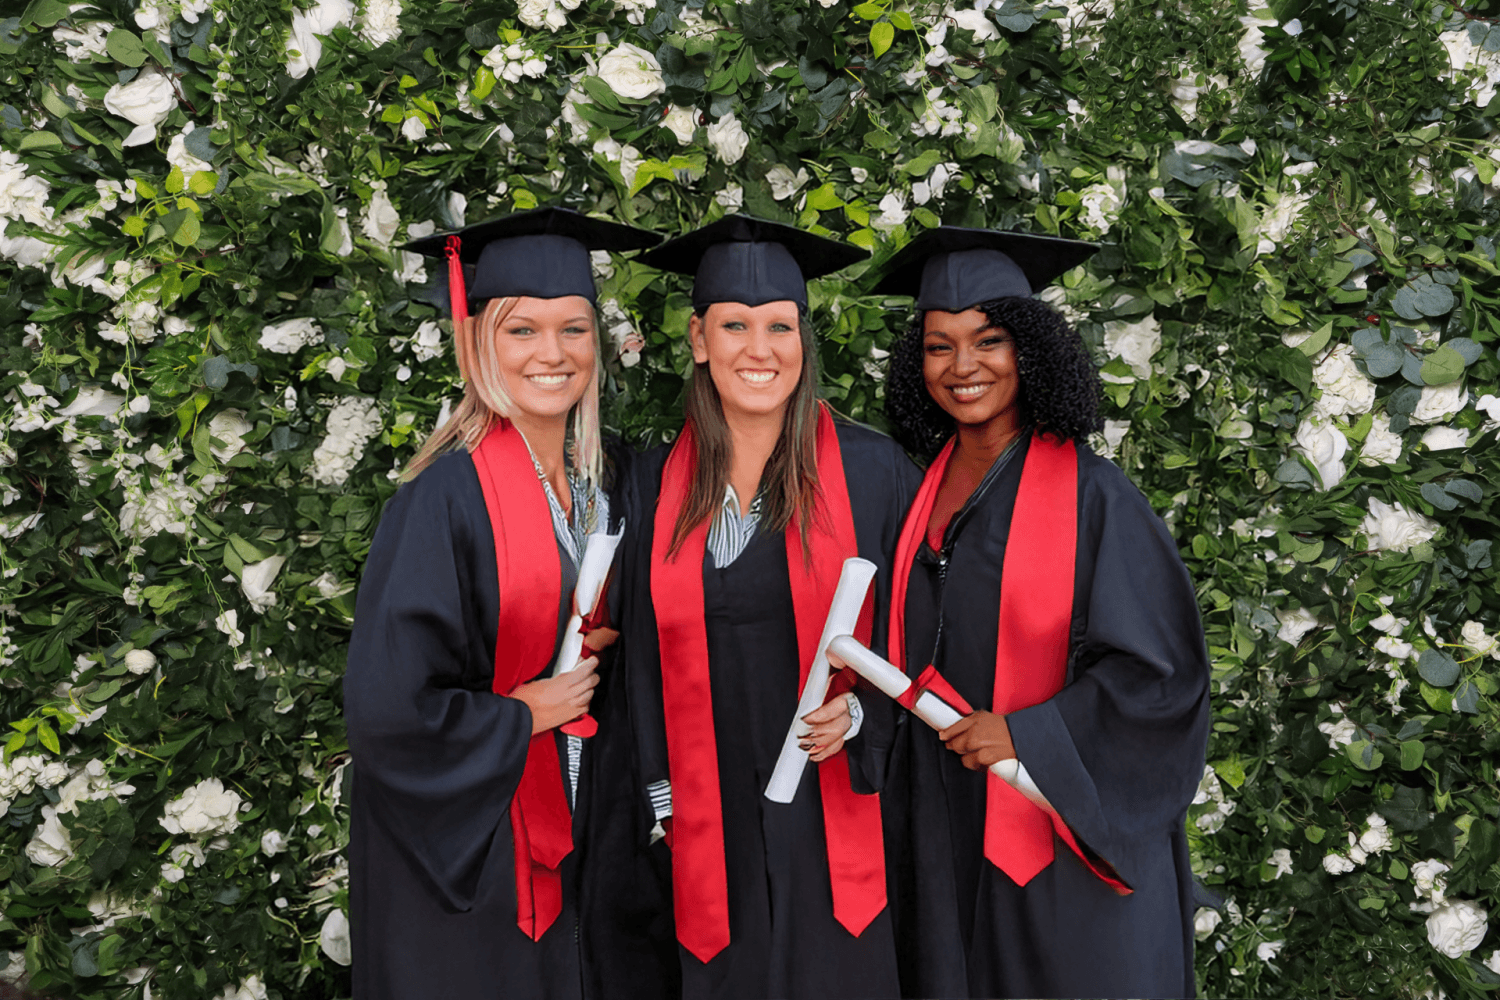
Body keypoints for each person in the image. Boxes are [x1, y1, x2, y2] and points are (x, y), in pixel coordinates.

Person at [863, 227, 1211, 999]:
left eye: (988, 340)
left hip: (1062, 837)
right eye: (938, 345)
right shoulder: (914, 495)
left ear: (1031, 349)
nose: (962, 367)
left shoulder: (1096, 498)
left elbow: (1162, 679)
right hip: (947, 830)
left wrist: (1026, 732)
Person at [342, 208, 677, 1000]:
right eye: (523, 331)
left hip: (596, 826)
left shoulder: (616, 477)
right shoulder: (443, 497)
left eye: (573, 329)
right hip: (478, 847)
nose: (553, 354)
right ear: (480, 342)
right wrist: (523, 712)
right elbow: (389, 710)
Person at [618, 216, 922, 1000]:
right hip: (702, 813)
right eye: (735, 326)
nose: (760, 349)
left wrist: (860, 719)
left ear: (803, 339)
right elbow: (637, 660)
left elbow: (919, 631)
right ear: (697, 339)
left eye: (780, 326)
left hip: (834, 804)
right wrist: (660, 799)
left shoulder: (875, 472)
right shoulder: (650, 489)